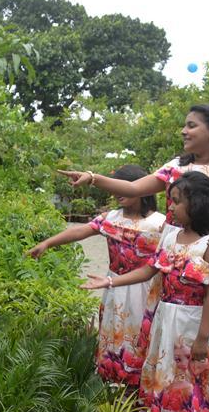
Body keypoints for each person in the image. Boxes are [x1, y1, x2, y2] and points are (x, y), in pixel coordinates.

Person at [58, 103, 209, 412]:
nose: (184, 132)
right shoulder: (176, 167)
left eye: (191, 126)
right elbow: (136, 187)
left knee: (207, 342)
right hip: (174, 258)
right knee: (171, 337)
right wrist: (93, 178)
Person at [82, 171, 209, 412]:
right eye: (170, 201)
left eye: (177, 201)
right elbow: (149, 270)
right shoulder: (170, 237)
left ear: (197, 204)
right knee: (175, 386)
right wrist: (110, 280)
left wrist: (202, 340)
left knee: (196, 391)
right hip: (168, 321)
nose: (170, 208)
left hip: (193, 327)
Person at [28, 166, 166, 388]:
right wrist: (48, 242)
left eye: (124, 187)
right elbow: (80, 231)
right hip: (113, 288)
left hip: (145, 290)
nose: (118, 193)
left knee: (141, 339)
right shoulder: (110, 218)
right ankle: (116, 389)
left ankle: (137, 399)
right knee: (113, 334)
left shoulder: (160, 224)